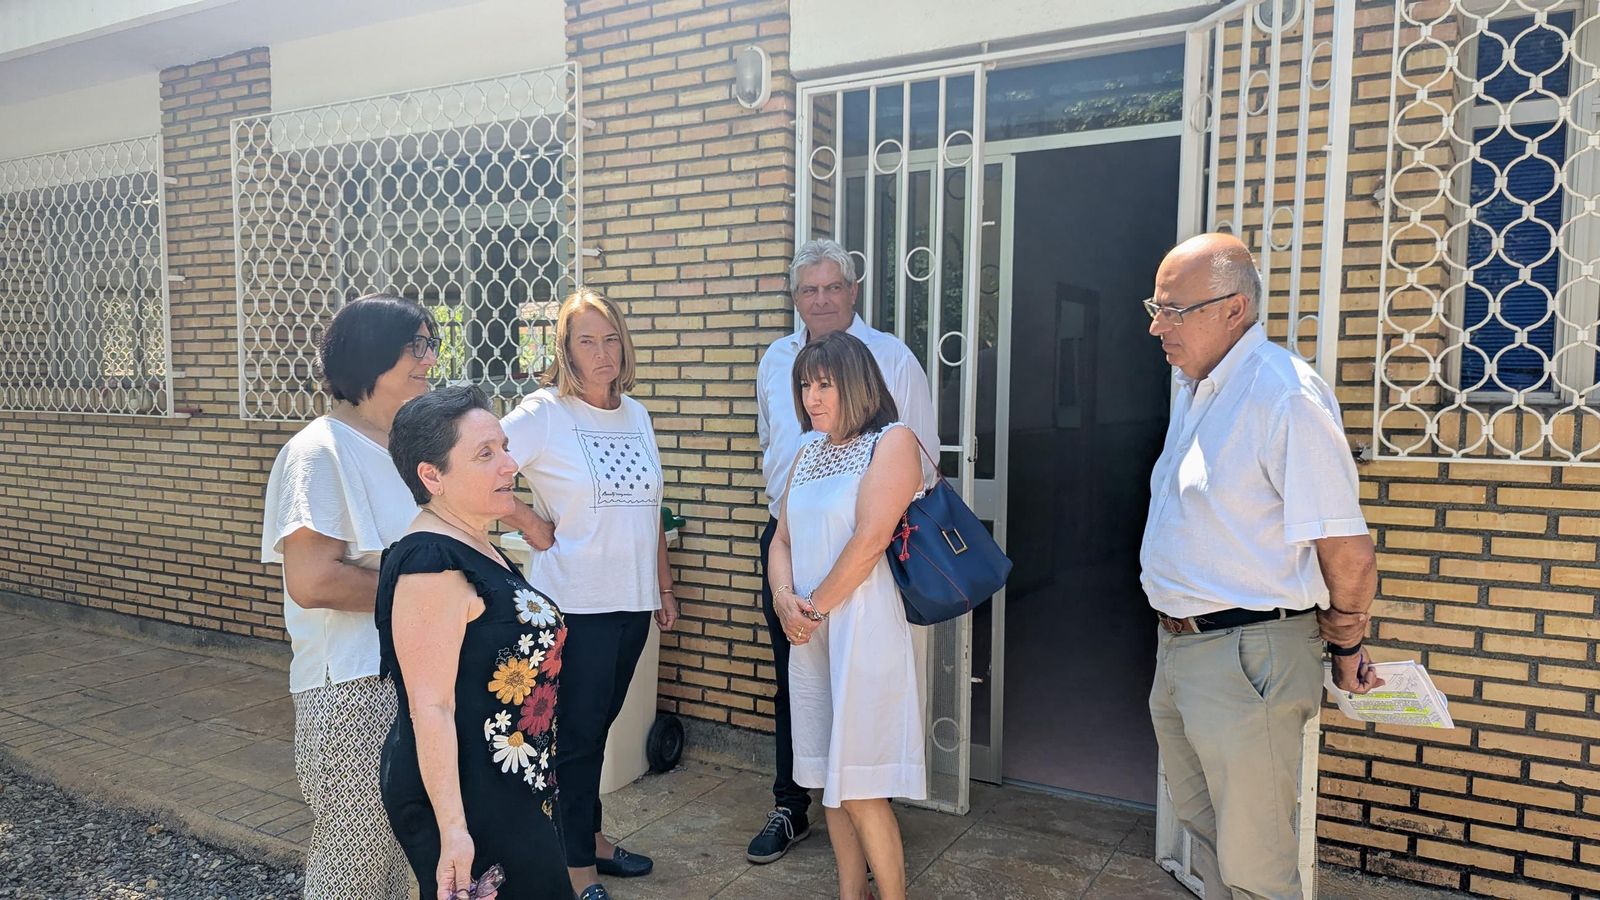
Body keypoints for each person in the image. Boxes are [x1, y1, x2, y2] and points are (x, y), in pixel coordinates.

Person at [1140, 233, 1382, 899]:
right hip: (1185, 649)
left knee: (1256, 867)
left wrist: (1348, 643)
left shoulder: (1283, 397)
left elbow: (1349, 551)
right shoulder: (1201, 389)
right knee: (1203, 824)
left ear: (1233, 309)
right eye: (1153, 308)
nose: (1158, 326)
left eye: (1174, 310)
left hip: (1249, 656)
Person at [747, 238, 937, 864]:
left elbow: (905, 488)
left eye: (833, 287)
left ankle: (874, 818)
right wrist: (787, 599)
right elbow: (775, 452)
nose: (821, 299)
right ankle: (790, 806)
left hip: (860, 584)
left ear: (852, 291)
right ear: (795, 299)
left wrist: (815, 605)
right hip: (797, 557)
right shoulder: (777, 362)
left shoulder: (892, 362)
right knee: (805, 711)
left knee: (859, 752)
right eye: (809, 290)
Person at [500, 288, 677, 900]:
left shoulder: (636, 414)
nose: (602, 353)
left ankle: (592, 839)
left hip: (629, 604)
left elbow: (651, 508)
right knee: (575, 740)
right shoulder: (545, 413)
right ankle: (576, 869)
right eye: (586, 341)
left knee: (597, 731)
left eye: (610, 339)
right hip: (575, 605)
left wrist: (662, 584)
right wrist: (525, 520)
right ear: (565, 351)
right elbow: (478, 462)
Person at [260, 294, 437, 900]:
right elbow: (314, 581)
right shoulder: (318, 453)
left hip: (414, 677)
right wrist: (424, 596)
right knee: (355, 862)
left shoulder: (407, 451)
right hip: (351, 691)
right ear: (369, 354)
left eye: (430, 342)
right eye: (415, 345)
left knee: (410, 852)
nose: (429, 357)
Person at [376, 385, 566, 900]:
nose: (510, 465)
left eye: (504, 447)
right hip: (470, 800)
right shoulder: (430, 564)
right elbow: (430, 706)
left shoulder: (472, 539)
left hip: (511, 788)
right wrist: (454, 831)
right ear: (432, 476)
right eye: (486, 454)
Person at [768, 330, 927, 900]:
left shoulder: (893, 441)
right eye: (805, 384)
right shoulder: (809, 450)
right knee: (825, 782)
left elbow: (870, 539)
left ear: (856, 383)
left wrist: (808, 607)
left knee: (860, 785)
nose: (812, 397)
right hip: (809, 632)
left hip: (861, 631)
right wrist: (786, 600)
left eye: (825, 383)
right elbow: (781, 538)